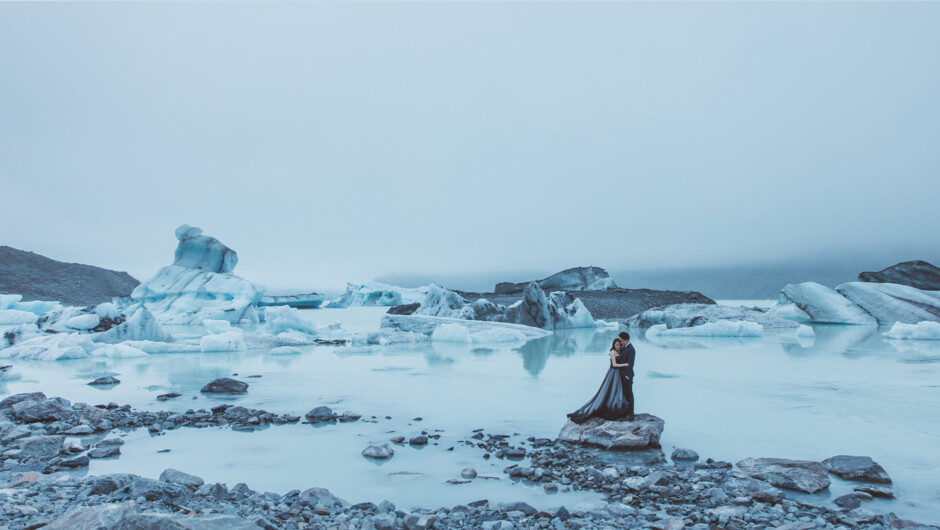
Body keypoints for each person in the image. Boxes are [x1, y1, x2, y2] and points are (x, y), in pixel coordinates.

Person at [566, 334, 633, 424]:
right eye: (617, 344)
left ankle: (624, 409)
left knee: (618, 392)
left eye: (620, 344)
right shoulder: (613, 352)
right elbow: (614, 365)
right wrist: (625, 365)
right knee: (609, 391)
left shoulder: (624, 350)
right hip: (613, 373)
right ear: (613, 345)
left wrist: (628, 372)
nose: (619, 345)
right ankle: (617, 409)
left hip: (619, 374)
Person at [618, 331, 636, 421]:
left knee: (629, 394)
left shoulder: (631, 349)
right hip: (623, 375)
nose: (620, 342)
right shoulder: (625, 348)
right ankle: (626, 412)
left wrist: (628, 375)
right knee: (625, 393)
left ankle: (631, 414)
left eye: (621, 341)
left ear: (626, 340)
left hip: (627, 375)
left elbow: (631, 364)